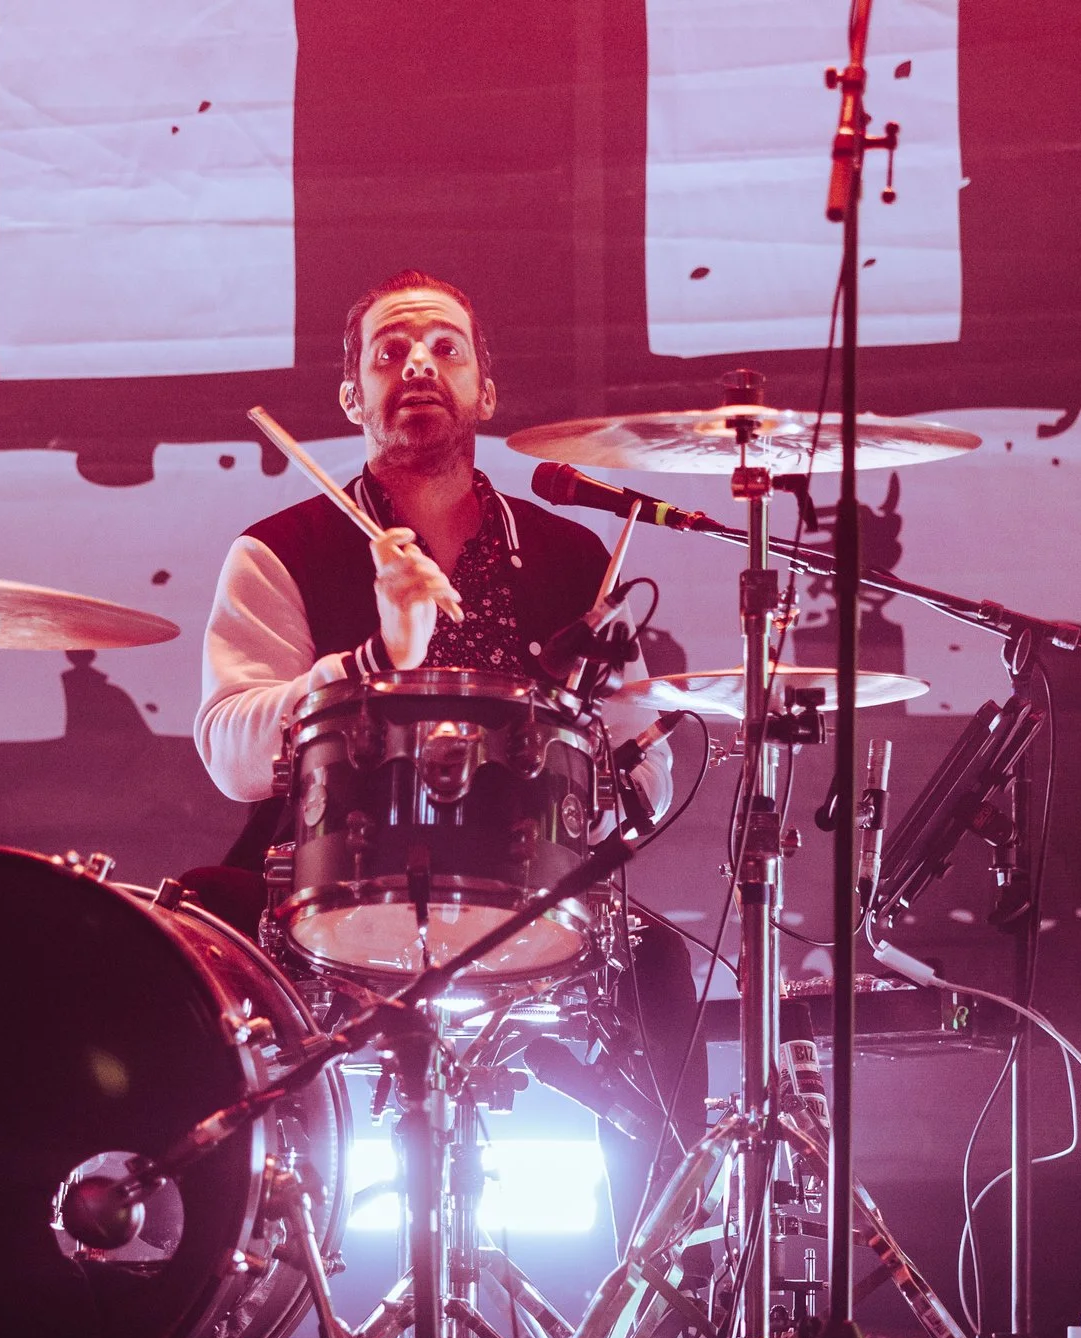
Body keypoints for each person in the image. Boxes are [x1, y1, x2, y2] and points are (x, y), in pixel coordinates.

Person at [184, 269, 705, 1240]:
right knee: (192, 940)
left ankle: (663, 1273)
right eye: (389, 352)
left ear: (484, 391)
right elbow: (229, 751)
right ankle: (221, 1264)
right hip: (315, 899)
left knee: (659, 967)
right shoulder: (277, 550)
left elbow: (648, 769)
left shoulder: (574, 560)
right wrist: (376, 658)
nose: (417, 363)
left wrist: (592, 745)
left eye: (444, 348)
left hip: (530, 899)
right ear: (354, 398)